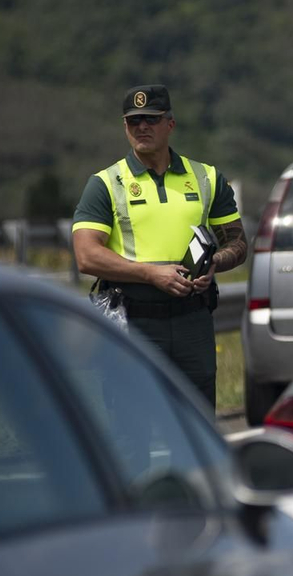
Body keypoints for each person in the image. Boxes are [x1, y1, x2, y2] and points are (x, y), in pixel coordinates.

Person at [71, 84, 247, 409]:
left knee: (196, 425)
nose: (142, 127)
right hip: (133, 324)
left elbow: (237, 241)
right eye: (133, 120)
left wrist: (215, 263)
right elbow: (86, 255)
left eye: (151, 119)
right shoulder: (105, 183)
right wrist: (150, 274)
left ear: (170, 124)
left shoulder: (207, 177)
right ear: (125, 126)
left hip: (193, 321)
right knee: (131, 426)